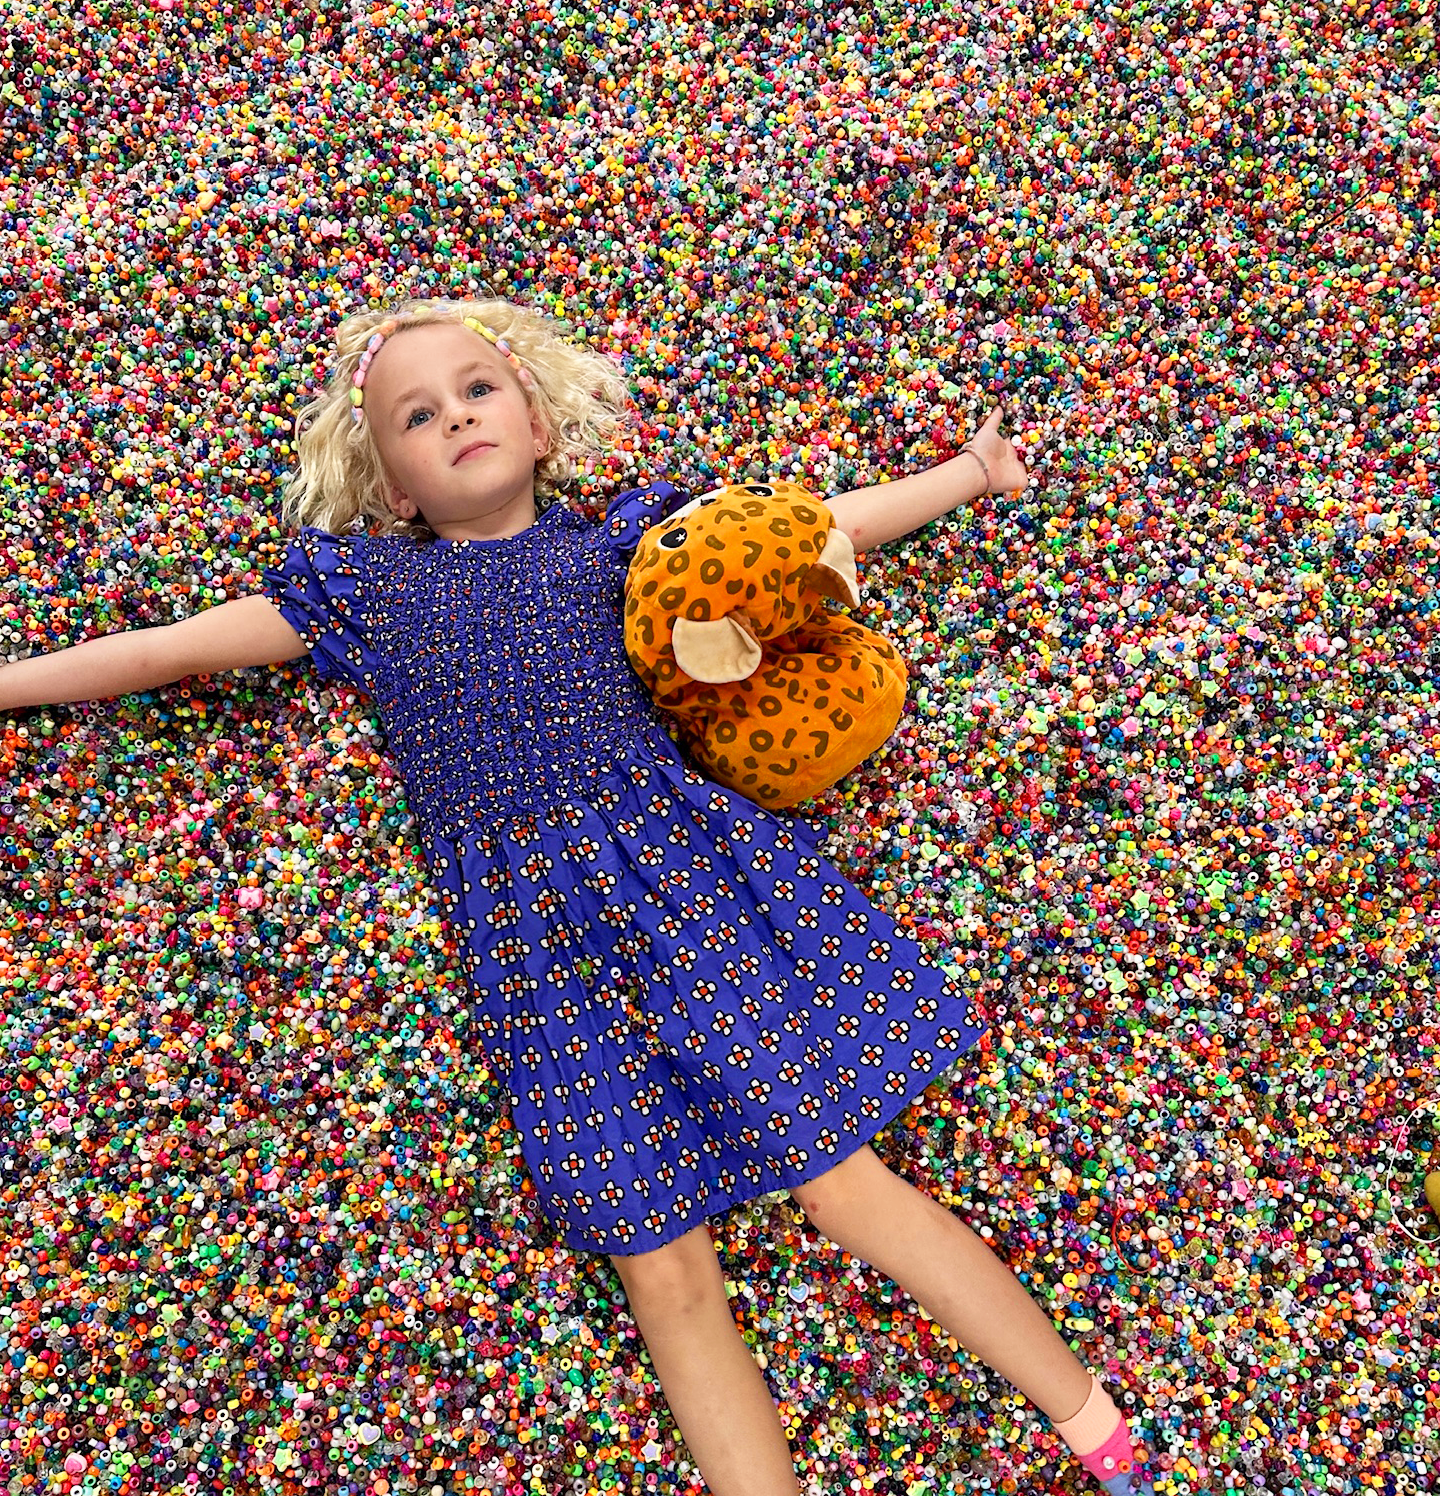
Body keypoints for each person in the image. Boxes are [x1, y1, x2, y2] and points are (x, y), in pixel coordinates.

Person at [0, 298, 1155, 1496]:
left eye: (477, 390)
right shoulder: (367, 595)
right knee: (662, 1265)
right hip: (538, 954)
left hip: (685, 887)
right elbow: (170, 648)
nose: (456, 418)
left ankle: (1094, 1425)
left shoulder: (627, 553)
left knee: (842, 1179)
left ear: (540, 423)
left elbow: (812, 533)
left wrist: (968, 473)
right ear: (390, 487)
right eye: (417, 415)